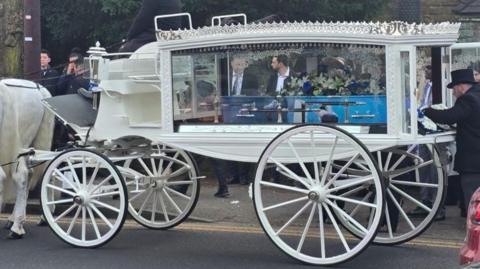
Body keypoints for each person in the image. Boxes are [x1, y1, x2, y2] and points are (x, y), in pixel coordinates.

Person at [422, 68, 480, 212]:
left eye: (453, 88)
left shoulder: (468, 99)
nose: (453, 92)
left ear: (461, 86)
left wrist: (426, 111)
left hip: (473, 160)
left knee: (472, 198)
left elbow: (449, 117)